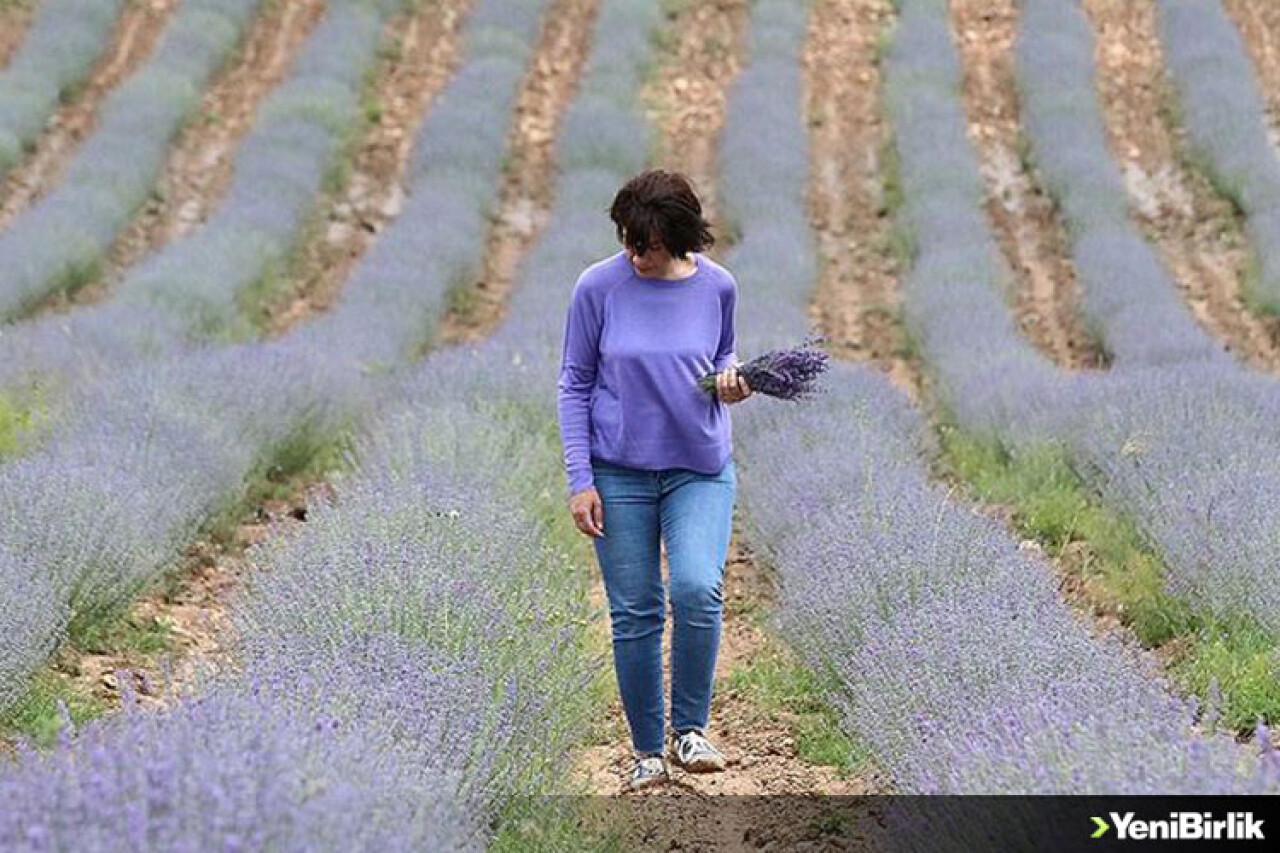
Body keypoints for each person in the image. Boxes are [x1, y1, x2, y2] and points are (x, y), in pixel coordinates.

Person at [555, 169, 753, 791]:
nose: (637, 255)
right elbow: (574, 383)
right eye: (629, 241)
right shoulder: (597, 287)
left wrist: (733, 379)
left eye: (650, 244)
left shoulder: (718, 287)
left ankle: (690, 731)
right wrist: (580, 478)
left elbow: (721, 355)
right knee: (635, 610)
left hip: (699, 468)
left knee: (696, 588)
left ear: (681, 237)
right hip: (619, 473)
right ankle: (646, 753)